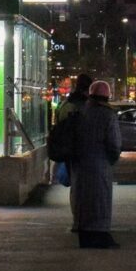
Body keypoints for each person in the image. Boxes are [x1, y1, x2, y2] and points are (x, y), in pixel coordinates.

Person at [71, 80, 122, 249]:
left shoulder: (81, 111)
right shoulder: (108, 115)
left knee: (83, 200)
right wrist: (111, 159)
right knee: (100, 201)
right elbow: (114, 144)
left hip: (80, 164)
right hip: (100, 164)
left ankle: (84, 236)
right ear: (107, 97)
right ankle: (101, 235)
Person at [55, 74, 92, 231]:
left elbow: (58, 127)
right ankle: (84, 220)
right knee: (86, 187)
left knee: (75, 187)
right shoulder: (87, 107)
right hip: (84, 152)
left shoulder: (65, 105)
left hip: (69, 151)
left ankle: (77, 219)